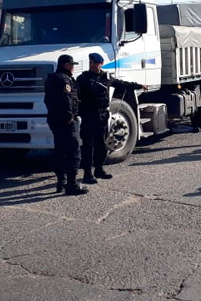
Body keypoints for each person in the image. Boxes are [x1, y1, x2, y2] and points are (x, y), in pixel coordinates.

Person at [76, 53, 146, 183]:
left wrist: (139, 86)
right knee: (88, 145)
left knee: (101, 144)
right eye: (91, 62)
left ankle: (99, 169)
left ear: (101, 63)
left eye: (95, 62)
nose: (92, 65)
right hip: (89, 115)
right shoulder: (83, 78)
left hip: (102, 115)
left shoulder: (106, 77)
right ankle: (87, 173)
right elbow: (76, 96)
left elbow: (122, 84)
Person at [44, 54, 88, 195]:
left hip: (54, 119)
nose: (73, 67)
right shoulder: (64, 80)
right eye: (71, 65)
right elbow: (67, 99)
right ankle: (72, 185)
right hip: (66, 121)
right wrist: (69, 116)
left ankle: (61, 182)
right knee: (74, 153)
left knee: (60, 151)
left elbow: (47, 100)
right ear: (65, 65)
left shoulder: (51, 78)